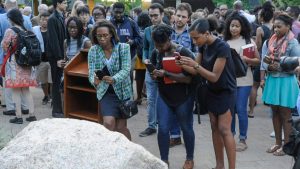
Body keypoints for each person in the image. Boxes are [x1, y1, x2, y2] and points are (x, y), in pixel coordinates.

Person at [179, 18, 237, 169]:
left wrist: (195, 65)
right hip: (211, 90)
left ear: (206, 33)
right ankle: (219, 166)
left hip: (226, 91)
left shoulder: (222, 46)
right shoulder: (203, 46)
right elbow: (196, 72)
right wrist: (183, 64)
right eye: (192, 37)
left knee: (225, 129)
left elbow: (214, 76)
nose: (194, 40)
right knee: (214, 127)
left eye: (196, 37)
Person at [150, 24, 195, 169]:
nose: (159, 48)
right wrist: (155, 74)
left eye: (161, 44)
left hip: (183, 97)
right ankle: (164, 160)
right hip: (164, 95)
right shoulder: (156, 53)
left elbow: (189, 78)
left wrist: (167, 74)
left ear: (169, 39)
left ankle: (189, 159)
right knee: (162, 128)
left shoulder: (183, 52)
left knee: (186, 127)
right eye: (156, 45)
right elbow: (156, 74)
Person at [261, 14, 300, 156]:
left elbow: (297, 62)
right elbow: (264, 61)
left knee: (285, 113)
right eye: (274, 26)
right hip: (273, 80)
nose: (276, 29)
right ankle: (277, 142)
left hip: (286, 81)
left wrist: (281, 66)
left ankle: (287, 145)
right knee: (274, 112)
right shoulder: (270, 41)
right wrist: (269, 67)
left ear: (288, 26)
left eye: (279, 26)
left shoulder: (293, 42)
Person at [88, 20, 132, 140]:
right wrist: (94, 80)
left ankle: (130, 150)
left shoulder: (123, 48)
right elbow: (91, 71)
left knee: (121, 128)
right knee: (108, 123)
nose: (102, 38)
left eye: (105, 35)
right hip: (105, 92)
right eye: (99, 36)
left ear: (111, 34)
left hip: (123, 92)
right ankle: (107, 152)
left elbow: (126, 69)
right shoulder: (93, 50)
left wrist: (114, 79)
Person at [224, 12, 260, 152]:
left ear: (242, 27)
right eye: (232, 25)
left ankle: (243, 139)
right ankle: (230, 136)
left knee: (241, 109)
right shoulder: (224, 41)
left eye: (237, 26)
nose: (234, 28)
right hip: (229, 80)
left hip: (245, 80)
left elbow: (258, 60)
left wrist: (248, 60)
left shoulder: (248, 42)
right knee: (231, 110)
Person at [1, 8, 37, 124]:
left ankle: (18, 116)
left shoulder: (10, 31)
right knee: (26, 90)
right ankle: (32, 115)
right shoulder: (26, 30)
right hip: (26, 64)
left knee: (15, 91)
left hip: (15, 65)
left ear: (11, 19)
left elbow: (5, 46)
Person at [169, 2, 195, 148]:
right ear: (174, 16)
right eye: (178, 15)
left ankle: (188, 136)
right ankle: (175, 136)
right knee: (171, 106)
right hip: (169, 74)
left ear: (188, 19)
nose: (179, 19)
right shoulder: (167, 32)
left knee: (186, 109)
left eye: (183, 17)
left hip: (186, 76)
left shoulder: (192, 34)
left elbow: (197, 53)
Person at [139, 3, 164, 137]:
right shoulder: (147, 30)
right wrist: (144, 59)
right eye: (151, 16)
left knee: (163, 98)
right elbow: (145, 48)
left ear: (162, 15)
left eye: (156, 15)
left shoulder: (167, 30)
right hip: (150, 68)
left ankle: (163, 124)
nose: (153, 18)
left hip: (164, 70)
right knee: (151, 99)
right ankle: (151, 126)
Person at [249, 1, 273, 118]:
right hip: (273, 60)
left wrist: (253, 41)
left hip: (262, 59)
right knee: (271, 83)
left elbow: (258, 46)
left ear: (262, 17)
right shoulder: (276, 26)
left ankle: (251, 111)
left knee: (255, 85)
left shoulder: (260, 29)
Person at [47, 0, 67, 118]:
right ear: (58, 4)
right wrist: (59, 58)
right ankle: (56, 110)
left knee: (59, 82)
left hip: (60, 54)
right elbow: (53, 40)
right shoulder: (52, 19)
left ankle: (60, 109)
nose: (65, 5)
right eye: (64, 2)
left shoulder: (60, 16)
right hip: (55, 56)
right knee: (56, 82)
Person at [32, 12, 52, 105]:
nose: (45, 22)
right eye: (43, 19)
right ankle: (46, 95)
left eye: (47, 20)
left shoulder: (52, 30)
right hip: (41, 60)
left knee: (51, 81)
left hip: (51, 60)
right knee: (43, 81)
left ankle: (52, 96)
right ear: (39, 20)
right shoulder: (35, 30)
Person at [134, 12, 151, 105]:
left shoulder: (138, 30)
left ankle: (139, 96)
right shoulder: (149, 30)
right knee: (149, 76)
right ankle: (148, 94)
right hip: (148, 57)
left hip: (139, 57)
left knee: (139, 78)